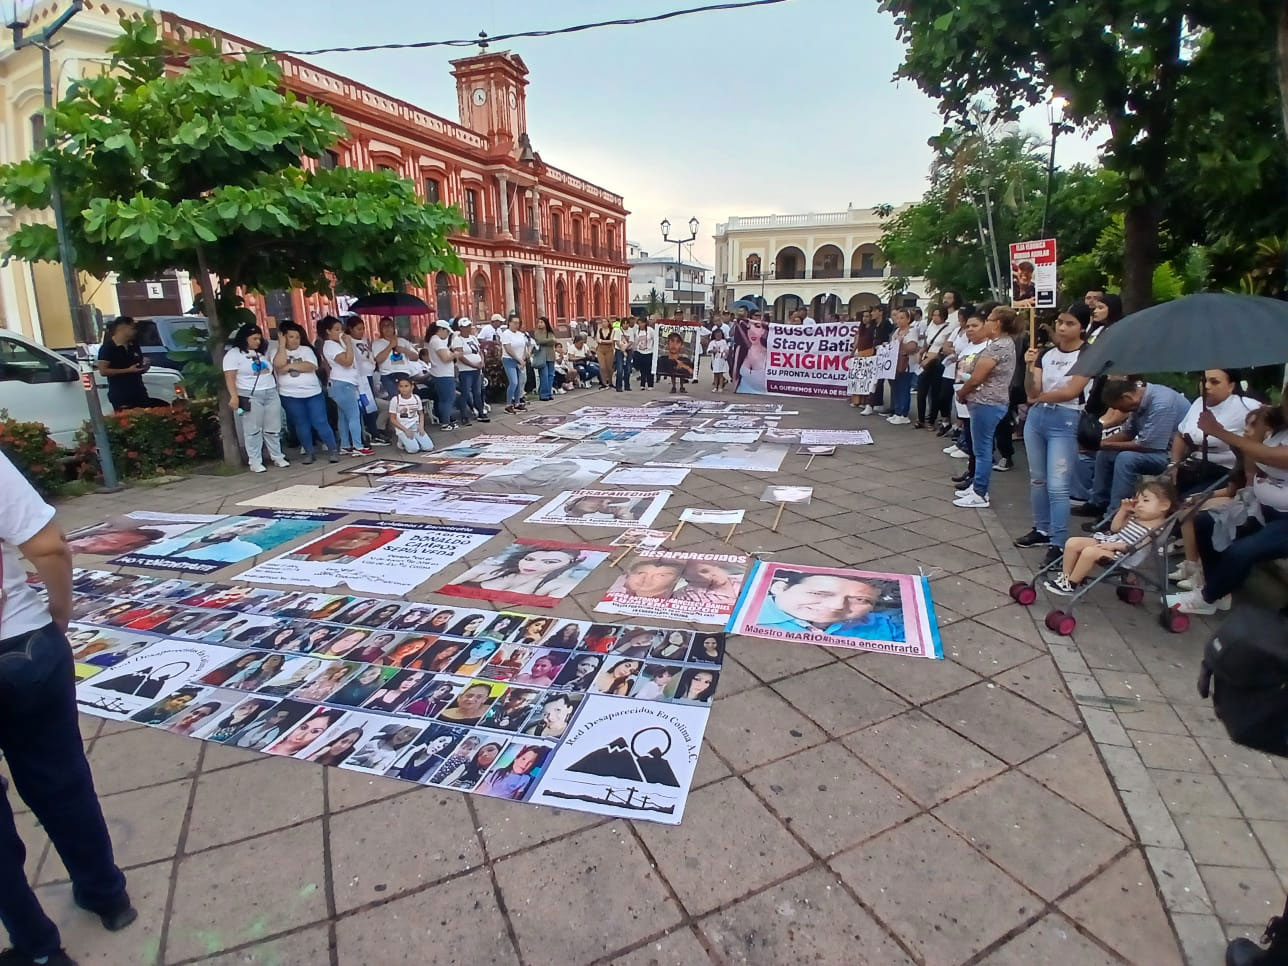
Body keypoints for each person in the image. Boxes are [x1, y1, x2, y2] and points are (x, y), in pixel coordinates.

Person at [1169, 399, 1288, 615]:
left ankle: (1206, 599)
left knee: (1242, 550)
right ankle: (1218, 593)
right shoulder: (1280, 430)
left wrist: (1219, 431)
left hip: (1284, 520)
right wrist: (1257, 431)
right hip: (1260, 508)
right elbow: (1253, 460)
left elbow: (1272, 457)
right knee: (1205, 523)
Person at [1014, 304, 1093, 563]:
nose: (1062, 327)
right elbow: (1030, 390)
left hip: (1066, 419)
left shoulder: (1088, 355)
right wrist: (1027, 367)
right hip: (1038, 418)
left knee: (1058, 486)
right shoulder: (1045, 354)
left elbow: (1071, 391)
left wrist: (1038, 397)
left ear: (1082, 326)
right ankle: (1042, 528)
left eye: (1069, 323)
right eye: (1060, 322)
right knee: (1038, 479)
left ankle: (1059, 541)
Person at [1167, 370, 1261, 585]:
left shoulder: (1248, 412)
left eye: (1214, 381)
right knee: (1189, 503)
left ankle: (1204, 573)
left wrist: (1219, 432)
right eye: (1204, 381)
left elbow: (1242, 489)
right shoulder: (1199, 403)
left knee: (1201, 512)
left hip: (1242, 493)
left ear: (1231, 385)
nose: (1207, 386)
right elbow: (1234, 486)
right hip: (1226, 484)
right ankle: (1192, 565)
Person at [1078, 377, 1190, 529]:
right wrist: (1096, 444)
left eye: (1117, 406)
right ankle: (1098, 502)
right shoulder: (1138, 403)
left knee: (1127, 458)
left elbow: (1149, 445)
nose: (1118, 410)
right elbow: (1129, 433)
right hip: (1156, 448)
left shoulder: (1162, 403)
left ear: (1127, 397)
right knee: (1105, 455)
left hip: (1172, 455)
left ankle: (1114, 515)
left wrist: (1104, 444)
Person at [1044, 479, 1177, 595]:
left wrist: (1114, 546)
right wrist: (1123, 510)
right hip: (1110, 543)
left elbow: (1137, 547)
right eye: (1138, 500)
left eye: (1146, 500)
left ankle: (1072, 584)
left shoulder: (1157, 527)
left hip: (1124, 556)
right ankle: (1066, 578)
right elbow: (1115, 529)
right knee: (1073, 542)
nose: (1139, 504)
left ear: (1164, 505)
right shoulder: (1136, 517)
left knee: (1089, 552)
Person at [953, 306, 1019, 508]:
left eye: (989, 319)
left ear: (997, 324)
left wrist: (962, 392)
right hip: (989, 401)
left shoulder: (998, 347)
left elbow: (978, 377)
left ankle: (980, 491)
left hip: (987, 402)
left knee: (982, 450)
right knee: (981, 447)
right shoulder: (1003, 344)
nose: (987, 322)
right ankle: (977, 487)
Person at [756, 569, 900, 641]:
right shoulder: (749, 616)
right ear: (779, 588)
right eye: (819, 593)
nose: (837, 606)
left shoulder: (887, 627)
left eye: (860, 600)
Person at [222, 322, 288, 473]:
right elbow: (230, 376)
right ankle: (255, 460)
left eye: (259, 339)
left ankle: (277, 456)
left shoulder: (261, 352)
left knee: (273, 427)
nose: (258, 342)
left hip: (270, 391)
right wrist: (234, 396)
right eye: (254, 339)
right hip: (250, 394)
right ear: (245, 338)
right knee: (253, 429)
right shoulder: (233, 355)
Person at [272, 321, 338, 464]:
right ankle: (309, 452)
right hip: (289, 395)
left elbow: (311, 366)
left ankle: (333, 450)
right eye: (291, 337)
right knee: (301, 424)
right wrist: (282, 347)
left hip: (312, 393)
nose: (295, 340)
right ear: (284, 337)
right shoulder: (276, 352)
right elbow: (278, 365)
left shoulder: (306, 350)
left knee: (320, 422)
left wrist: (289, 366)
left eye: (297, 337)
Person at [320, 315, 372, 457]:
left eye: (340, 329)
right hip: (342, 384)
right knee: (354, 415)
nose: (340, 332)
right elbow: (347, 361)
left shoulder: (336, 344)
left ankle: (345, 445)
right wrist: (349, 343)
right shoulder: (330, 345)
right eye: (336, 330)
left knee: (343, 416)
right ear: (328, 331)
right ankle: (357, 445)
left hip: (345, 383)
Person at [452, 545, 587, 599]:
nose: (533, 564)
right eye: (529, 559)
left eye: (550, 562)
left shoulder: (561, 584)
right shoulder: (484, 570)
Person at [96, 317, 165, 410]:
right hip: (121, 393)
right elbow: (103, 371)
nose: (135, 331)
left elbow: (138, 366)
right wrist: (128, 370)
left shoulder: (133, 345)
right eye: (132, 328)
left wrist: (145, 366)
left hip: (139, 390)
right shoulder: (108, 348)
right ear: (122, 328)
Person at [344, 316, 385, 446]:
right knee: (364, 406)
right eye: (358, 329)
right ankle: (367, 433)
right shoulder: (348, 341)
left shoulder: (365, 340)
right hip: (359, 378)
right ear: (350, 329)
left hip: (369, 375)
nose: (361, 331)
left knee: (371, 406)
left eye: (363, 329)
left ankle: (373, 431)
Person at [916, 304, 954, 429]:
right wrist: (921, 353)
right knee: (921, 391)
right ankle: (920, 419)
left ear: (943, 316)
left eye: (937, 315)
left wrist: (931, 359)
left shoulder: (948, 328)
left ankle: (931, 420)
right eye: (933, 315)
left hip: (937, 361)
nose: (935, 317)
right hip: (927, 357)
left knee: (935, 392)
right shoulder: (930, 326)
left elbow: (943, 348)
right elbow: (927, 343)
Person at [452, 318, 489, 422]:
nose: (468, 328)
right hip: (465, 370)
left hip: (476, 369)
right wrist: (473, 364)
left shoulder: (473, 338)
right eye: (465, 327)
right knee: (465, 392)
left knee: (477, 392)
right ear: (460, 328)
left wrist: (482, 361)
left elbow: (479, 351)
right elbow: (460, 356)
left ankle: (481, 412)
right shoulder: (457, 340)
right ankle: (464, 415)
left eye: (469, 326)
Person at [371, 317, 417, 399]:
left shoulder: (403, 341)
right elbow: (378, 360)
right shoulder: (377, 343)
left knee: (407, 397)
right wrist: (390, 346)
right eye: (384, 326)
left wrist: (404, 350)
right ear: (380, 329)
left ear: (393, 327)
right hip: (388, 374)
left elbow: (416, 357)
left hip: (403, 373)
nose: (387, 328)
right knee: (395, 398)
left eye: (389, 325)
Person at [387, 376, 435, 453]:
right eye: (401, 386)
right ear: (398, 388)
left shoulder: (416, 398)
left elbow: (421, 414)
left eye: (406, 386)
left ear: (412, 387)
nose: (404, 389)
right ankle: (402, 441)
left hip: (415, 426)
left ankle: (414, 440)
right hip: (403, 427)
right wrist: (405, 430)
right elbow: (392, 419)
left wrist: (421, 426)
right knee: (413, 449)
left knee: (428, 447)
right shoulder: (395, 400)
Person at [479, 746, 545, 800]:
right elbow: (483, 787)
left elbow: (516, 798)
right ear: (516, 758)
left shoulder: (525, 779)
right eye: (523, 759)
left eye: (530, 763)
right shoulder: (499, 771)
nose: (525, 764)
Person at [610, 559, 685, 599]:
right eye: (641, 573)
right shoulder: (618, 589)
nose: (646, 579)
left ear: (676, 579)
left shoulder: (681, 597)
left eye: (661, 575)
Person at [730, 315, 768, 393]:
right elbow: (735, 374)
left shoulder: (766, 352)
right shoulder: (741, 350)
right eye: (749, 328)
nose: (752, 331)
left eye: (757, 327)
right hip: (742, 391)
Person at [500, 316, 529, 414]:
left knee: (520, 382)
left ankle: (517, 402)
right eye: (514, 323)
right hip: (509, 360)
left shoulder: (520, 334)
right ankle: (508, 404)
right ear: (509, 323)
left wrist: (523, 359)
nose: (516, 325)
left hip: (520, 360)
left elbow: (524, 347)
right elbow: (508, 349)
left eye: (518, 323)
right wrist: (518, 359)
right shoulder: (506, 334)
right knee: (513, 382)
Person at [633, 318, 656, 389]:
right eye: (639, 323)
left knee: (649, 369)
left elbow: (655, 339)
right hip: (640, 352)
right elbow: (636, 341)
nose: (641, 325)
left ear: (645, 323)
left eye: (642, 323)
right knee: (642, 369)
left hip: (649, 352)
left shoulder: (650, 330)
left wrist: (654, 349)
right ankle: (642, 384)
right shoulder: (637, 331)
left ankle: (650, 384)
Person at [594, 319, 615, 389]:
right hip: (600, 349)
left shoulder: (612, 330)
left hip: (609, 349)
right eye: (602, 322)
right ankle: (604, 383)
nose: (604, 323)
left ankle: (610, 381)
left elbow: (611, 341)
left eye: (605, 322)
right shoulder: (599, 330)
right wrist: (604, 341)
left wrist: (602, 341)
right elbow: (597, 339)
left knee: (609, 367)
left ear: (608, 323)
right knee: (602, 367)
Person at [708, 327, 730, 392]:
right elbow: (708, 350)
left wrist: (725, 353)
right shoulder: (712, 342)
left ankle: (720, 387)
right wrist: (713, 350)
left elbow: (727, 349)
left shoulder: (723, 341)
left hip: (721, 360)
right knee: (715, 374)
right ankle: (715, 387)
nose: (718, 336)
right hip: (715, 360)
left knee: (720, 374)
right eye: (717, 335)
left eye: (720, 335)